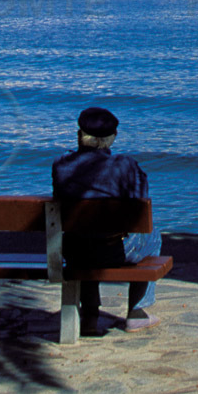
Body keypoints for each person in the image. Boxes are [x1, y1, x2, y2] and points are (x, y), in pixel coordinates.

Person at [52, 106, 162, 336]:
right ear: (112, 138)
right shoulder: (124, 165)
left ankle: (90, 315)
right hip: (115, 252)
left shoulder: (61, 166)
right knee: (152, 236)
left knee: (85, 235)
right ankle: (136, 312)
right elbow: (141, 205)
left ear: (79, 135)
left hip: (76, 252)